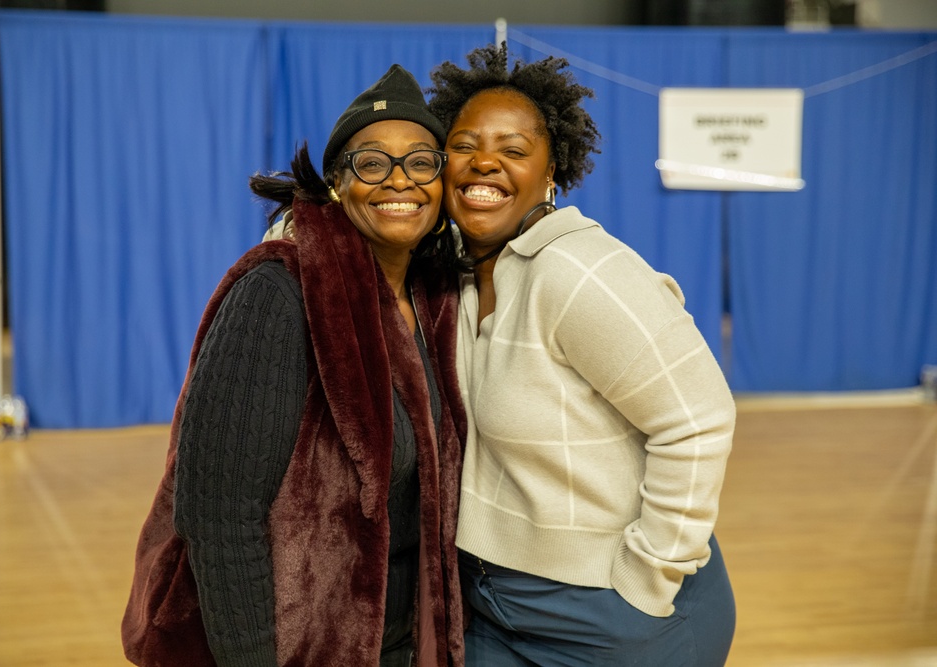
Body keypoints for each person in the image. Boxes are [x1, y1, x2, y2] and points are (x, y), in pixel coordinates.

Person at [122, 64, 467, 667]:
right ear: (336, 183)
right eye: (371, 162)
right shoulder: (279, 293)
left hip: (396, 644)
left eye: (420, 162)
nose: (399, 180)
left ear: (440, 184)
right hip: (291, 647)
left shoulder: (431, 300)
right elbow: (218, 514)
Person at [428, 45, 737, 666]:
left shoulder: (582, 271)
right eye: (464, 145)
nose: (484, 161)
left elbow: (699, 418)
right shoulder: (455, 278)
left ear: (551, 173)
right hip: (491, 601)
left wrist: (648, 579)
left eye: (514, 150)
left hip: (615, 614)